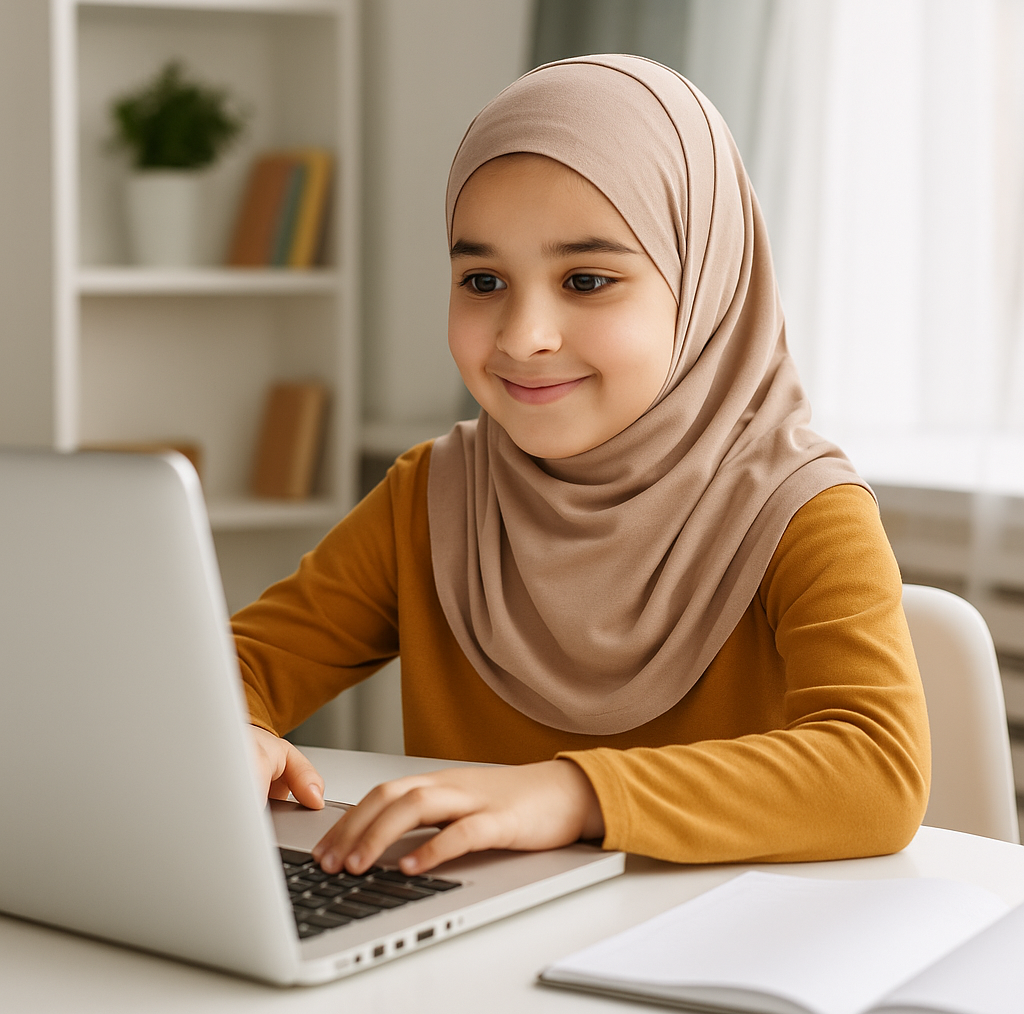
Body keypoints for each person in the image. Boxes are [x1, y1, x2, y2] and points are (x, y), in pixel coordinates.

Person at [233, 55, 930, 879]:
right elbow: (237, 665)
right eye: (483, 280)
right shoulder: (434, 496)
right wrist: (229, 733)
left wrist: (574, 794)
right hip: (471, 955)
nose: (523, 335)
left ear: (703, 282)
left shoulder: (799, 508)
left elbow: (875, 771)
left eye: (588, 279)